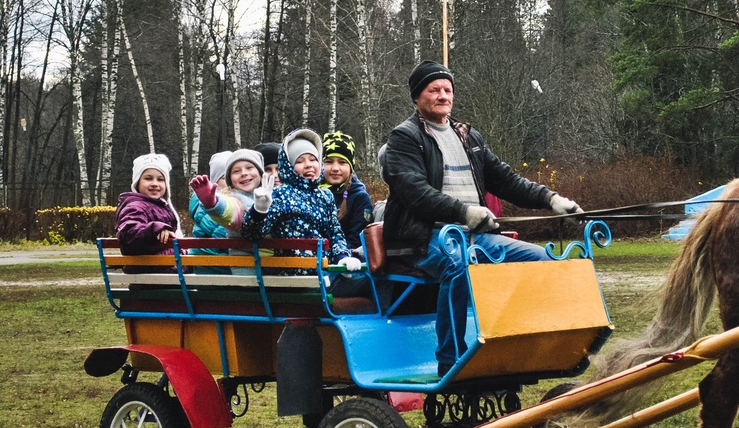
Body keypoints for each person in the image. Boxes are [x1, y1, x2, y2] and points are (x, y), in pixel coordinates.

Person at [382, 60, 583, 374]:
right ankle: (452, 359)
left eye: (447, 89)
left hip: (474, 235)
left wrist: (551, 199)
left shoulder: (468, 136)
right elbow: (414, 192)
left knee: (543, 260)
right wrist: (463, 212)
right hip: (422, 237)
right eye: (434, 90)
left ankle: (521, 345)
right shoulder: (405, 138)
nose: (442, 95)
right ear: (418, 97)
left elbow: (505, 180)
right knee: (457, 263)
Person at [240, 129, 363, 286]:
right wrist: (259, 211)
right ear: (288, 166)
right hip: (295, 277)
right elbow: (252, 234)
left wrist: (342, 257)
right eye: (299, 161)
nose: (308, 165)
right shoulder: (280, 195)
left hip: (325, 272)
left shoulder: (325, 196)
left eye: (313, 159)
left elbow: (334, 232)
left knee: (373, 280)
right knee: (377, 284)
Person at [188, 149, 263, 274]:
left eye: (249, 168)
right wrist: (212, 203)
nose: (244, 173)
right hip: (230, 268)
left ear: (260, 173)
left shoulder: (271, 194)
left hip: (271, 262)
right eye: (236, 171)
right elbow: (231, 211)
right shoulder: (234, 199)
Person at [115, 154, 184, 266]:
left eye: (160, 179)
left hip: (163, 267)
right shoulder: (135, 206)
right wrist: (155, 229)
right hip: (154, 269)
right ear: (137, 182)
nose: (155, 184)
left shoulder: (161, 207)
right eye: (148, 178)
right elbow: (128, 231)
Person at [321, 130, 374, 252]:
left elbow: (356, 241)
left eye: (342, 162)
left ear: (351, 167)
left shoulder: (359, 198)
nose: (335, 168)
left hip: (345, 263)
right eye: (328, 162)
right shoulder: (313, 194)